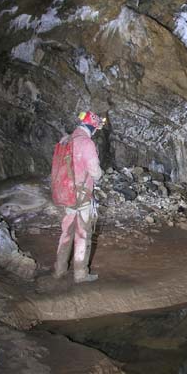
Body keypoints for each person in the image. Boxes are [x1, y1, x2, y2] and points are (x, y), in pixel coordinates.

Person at [53, 111, 105, 283]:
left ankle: (59, 270)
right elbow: (95, 172)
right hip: (81, 196)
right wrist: (99, 175)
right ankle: (80, 274)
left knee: (66, 231)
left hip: (65, 193)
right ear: (93, 127)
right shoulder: (86, 143)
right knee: (82, 233)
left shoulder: (66, 140)